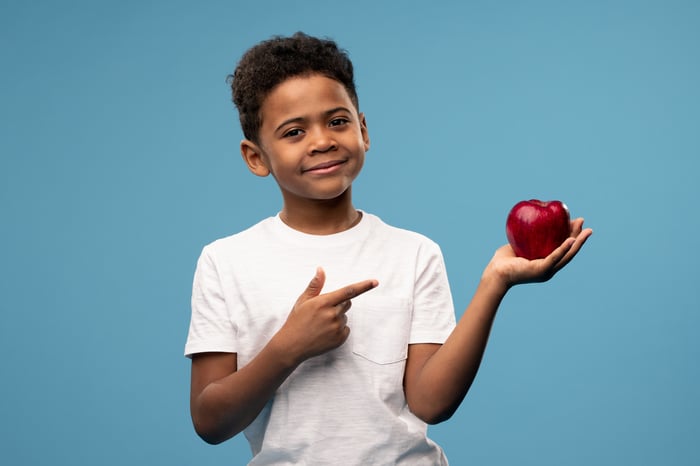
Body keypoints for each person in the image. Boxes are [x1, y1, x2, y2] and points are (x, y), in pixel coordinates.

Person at [184, 32, 592, 465]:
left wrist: (496, 283)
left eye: (337, 121)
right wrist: (288, 347)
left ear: (363, 130)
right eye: (294, 131)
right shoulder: (225, 261)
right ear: (256, 158)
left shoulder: (415, 252)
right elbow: (210, 422)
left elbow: (430, 403)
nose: (322, 140)